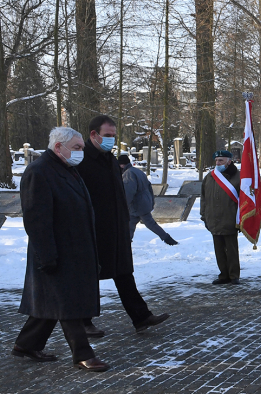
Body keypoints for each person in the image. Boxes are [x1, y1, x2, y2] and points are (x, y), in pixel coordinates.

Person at [12, 127, 108, 372]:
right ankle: (83, 354)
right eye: (76, 148)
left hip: (75, 249)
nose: (80, 153)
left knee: (52, 302)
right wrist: (47, 256)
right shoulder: (39, 172)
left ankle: (26, 344)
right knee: (68, 305)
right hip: (55, 252)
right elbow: (36, 220)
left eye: (81, 148)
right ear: (58, 147)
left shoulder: (67, 168)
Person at [78, 115, 170, 337]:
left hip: (117, 226)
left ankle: (140, 316)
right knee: (90, 276)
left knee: (124, 273)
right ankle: (84, 321)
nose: (111, 140)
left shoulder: (110, 159)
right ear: (93, 134)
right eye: (107, 136)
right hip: (94, 228)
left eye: (113, 136)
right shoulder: (81, 161)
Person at [201, 150, 241, 285]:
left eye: (221, 160)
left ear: (229, 161)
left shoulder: (238, 177)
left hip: (230, 218)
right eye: (216, 160)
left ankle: (234, 275)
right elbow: (203, 198)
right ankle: (223, 274)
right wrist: (204, 215)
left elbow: (244, 200)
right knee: (219, 250)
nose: (218, 163)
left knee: (231, 250)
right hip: (213, 218)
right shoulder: (209, 177)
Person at [119, 154, 178, 245]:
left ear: (122, 165)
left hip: (137, 205)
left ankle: (167, 238)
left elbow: (129, 192)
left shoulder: (128, 174)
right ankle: (125, 243)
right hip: (143, 203)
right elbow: (149, 187)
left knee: (149, 223)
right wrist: (151, 201)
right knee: (130, 223)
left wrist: (123, 205)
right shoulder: (137, 171)